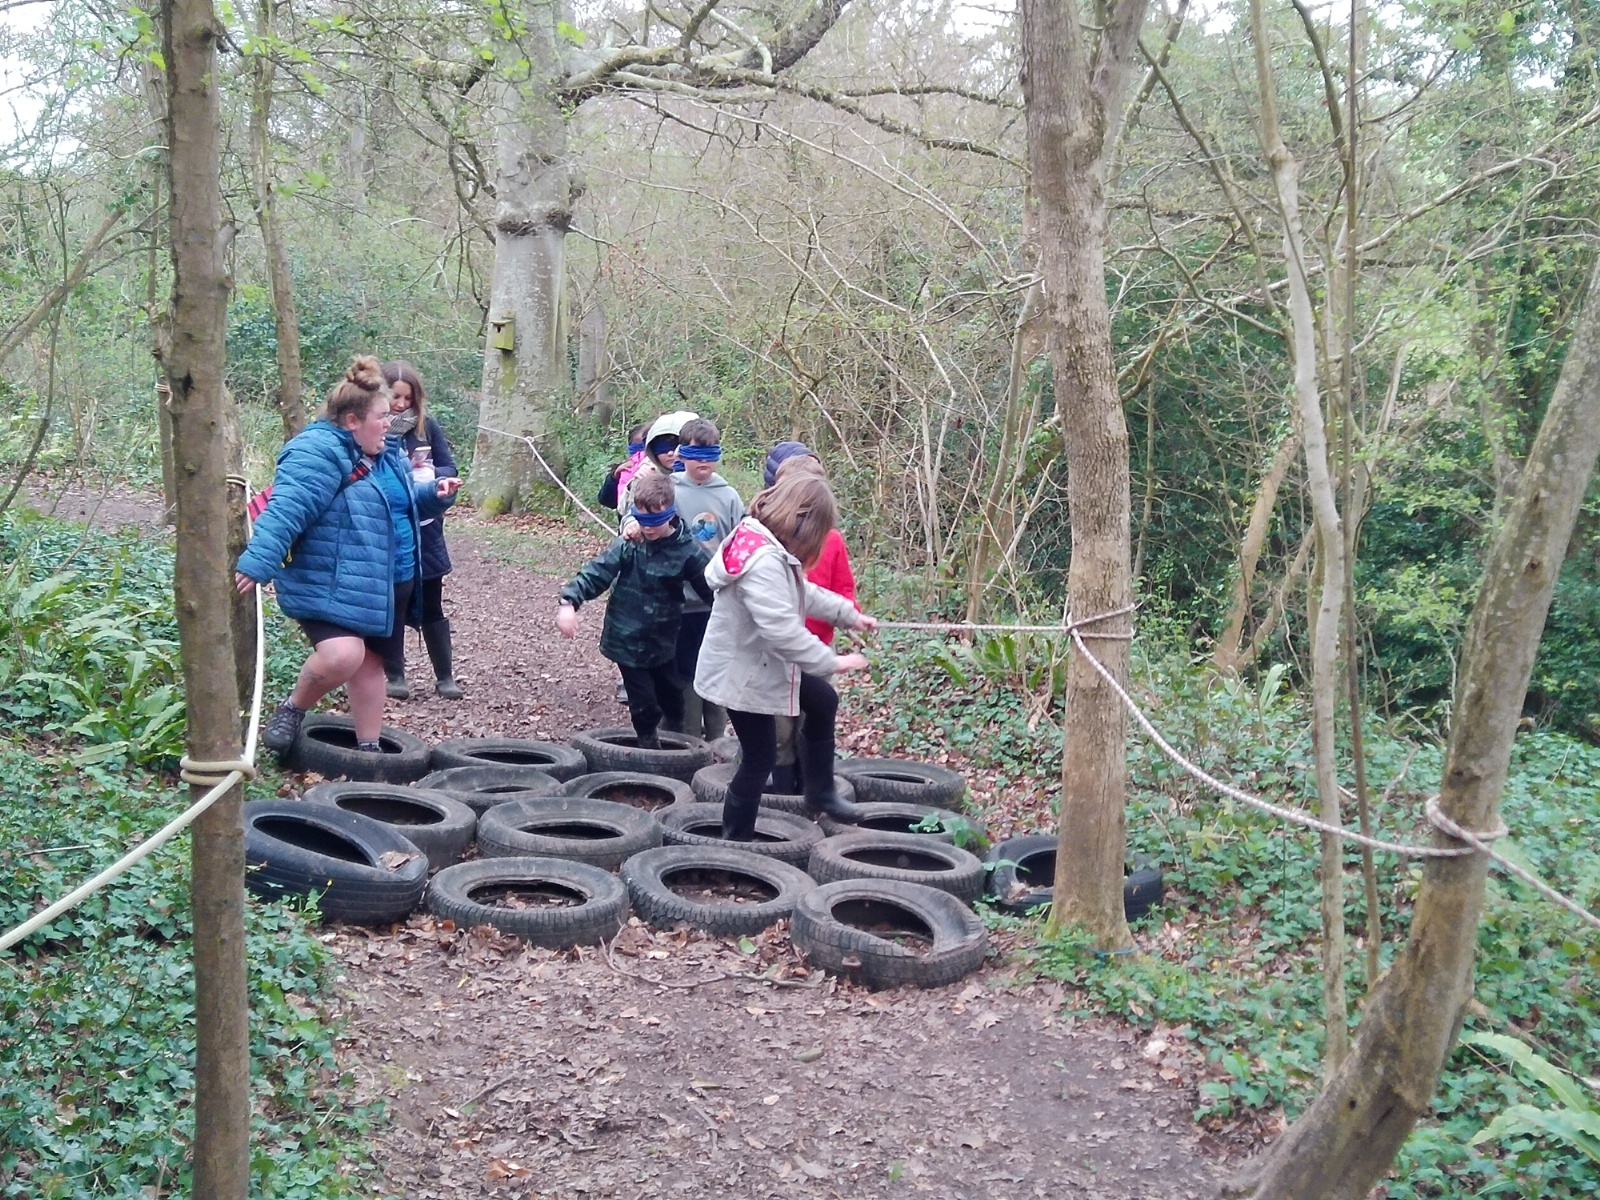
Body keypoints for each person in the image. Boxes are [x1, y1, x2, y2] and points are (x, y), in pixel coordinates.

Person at [236, 355, 461, 754]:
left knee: (371, 664)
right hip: (330, 578)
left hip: (384, 581)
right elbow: (288, 509)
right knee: (344, 655)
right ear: (353, 420)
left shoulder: (385, 449)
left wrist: (434, 495)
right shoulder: (316, 452)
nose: (390, 422)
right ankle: (292, 709)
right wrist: (258, 562)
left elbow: (400, 502)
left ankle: (368, 752)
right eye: (382, 416)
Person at [694, 473, 876, 840]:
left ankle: (820, 791)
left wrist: (848, 615)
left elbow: (801, 592)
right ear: (803, 524)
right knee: (760, 757)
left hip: (760, 662)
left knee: (823, 700)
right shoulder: (762, 560)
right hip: (741, 674)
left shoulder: (768, 546)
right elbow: (781, 629)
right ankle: (734, 839)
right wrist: (830, 661)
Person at [557, 471, 714, 749]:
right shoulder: (629, 544)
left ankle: (676, 748)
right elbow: (596, 572)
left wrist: (733, 615)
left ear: (670, 514)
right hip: (625, 640)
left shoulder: (687, 550)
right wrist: (569, 602)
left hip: (664, 641)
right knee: (644, 704)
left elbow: (711, 587)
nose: (648, 529)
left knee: (673, 698)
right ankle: (647, 748)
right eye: (642, 520)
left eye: (654, 521)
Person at [379, 359, 463, 701]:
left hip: (426, 529)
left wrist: (430, 473)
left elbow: (449, 466)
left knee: (432, 600)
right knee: (395, 600)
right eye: (395, 396)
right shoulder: (374, 428)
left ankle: (445, 676)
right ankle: (395, 674)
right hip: (390, 529)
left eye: (407, 398)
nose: (401, 404)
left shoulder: (427, 427)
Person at [670, 417, 745, 739]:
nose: (703, 462)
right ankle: (688, 738)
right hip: (679, 600)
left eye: (710, 454)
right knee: (685, 668)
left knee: (717, 664)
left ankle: (716, 736)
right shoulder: (669, 490)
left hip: (718, 598)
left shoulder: (729, 496)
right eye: (695, 454)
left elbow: (741, 541)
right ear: (681, 454)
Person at [617, 409, 696, 517]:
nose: (670, 453)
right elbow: (626, 513)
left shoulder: (704, 474)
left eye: (675, 445)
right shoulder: (647, 474)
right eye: (662, 447)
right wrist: (635, 486)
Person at [597, 420, 651, 511]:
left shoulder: (666, 468)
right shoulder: (624, 470)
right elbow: (606, 501)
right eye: (637, 447)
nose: (641, 454)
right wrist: (615, 477)